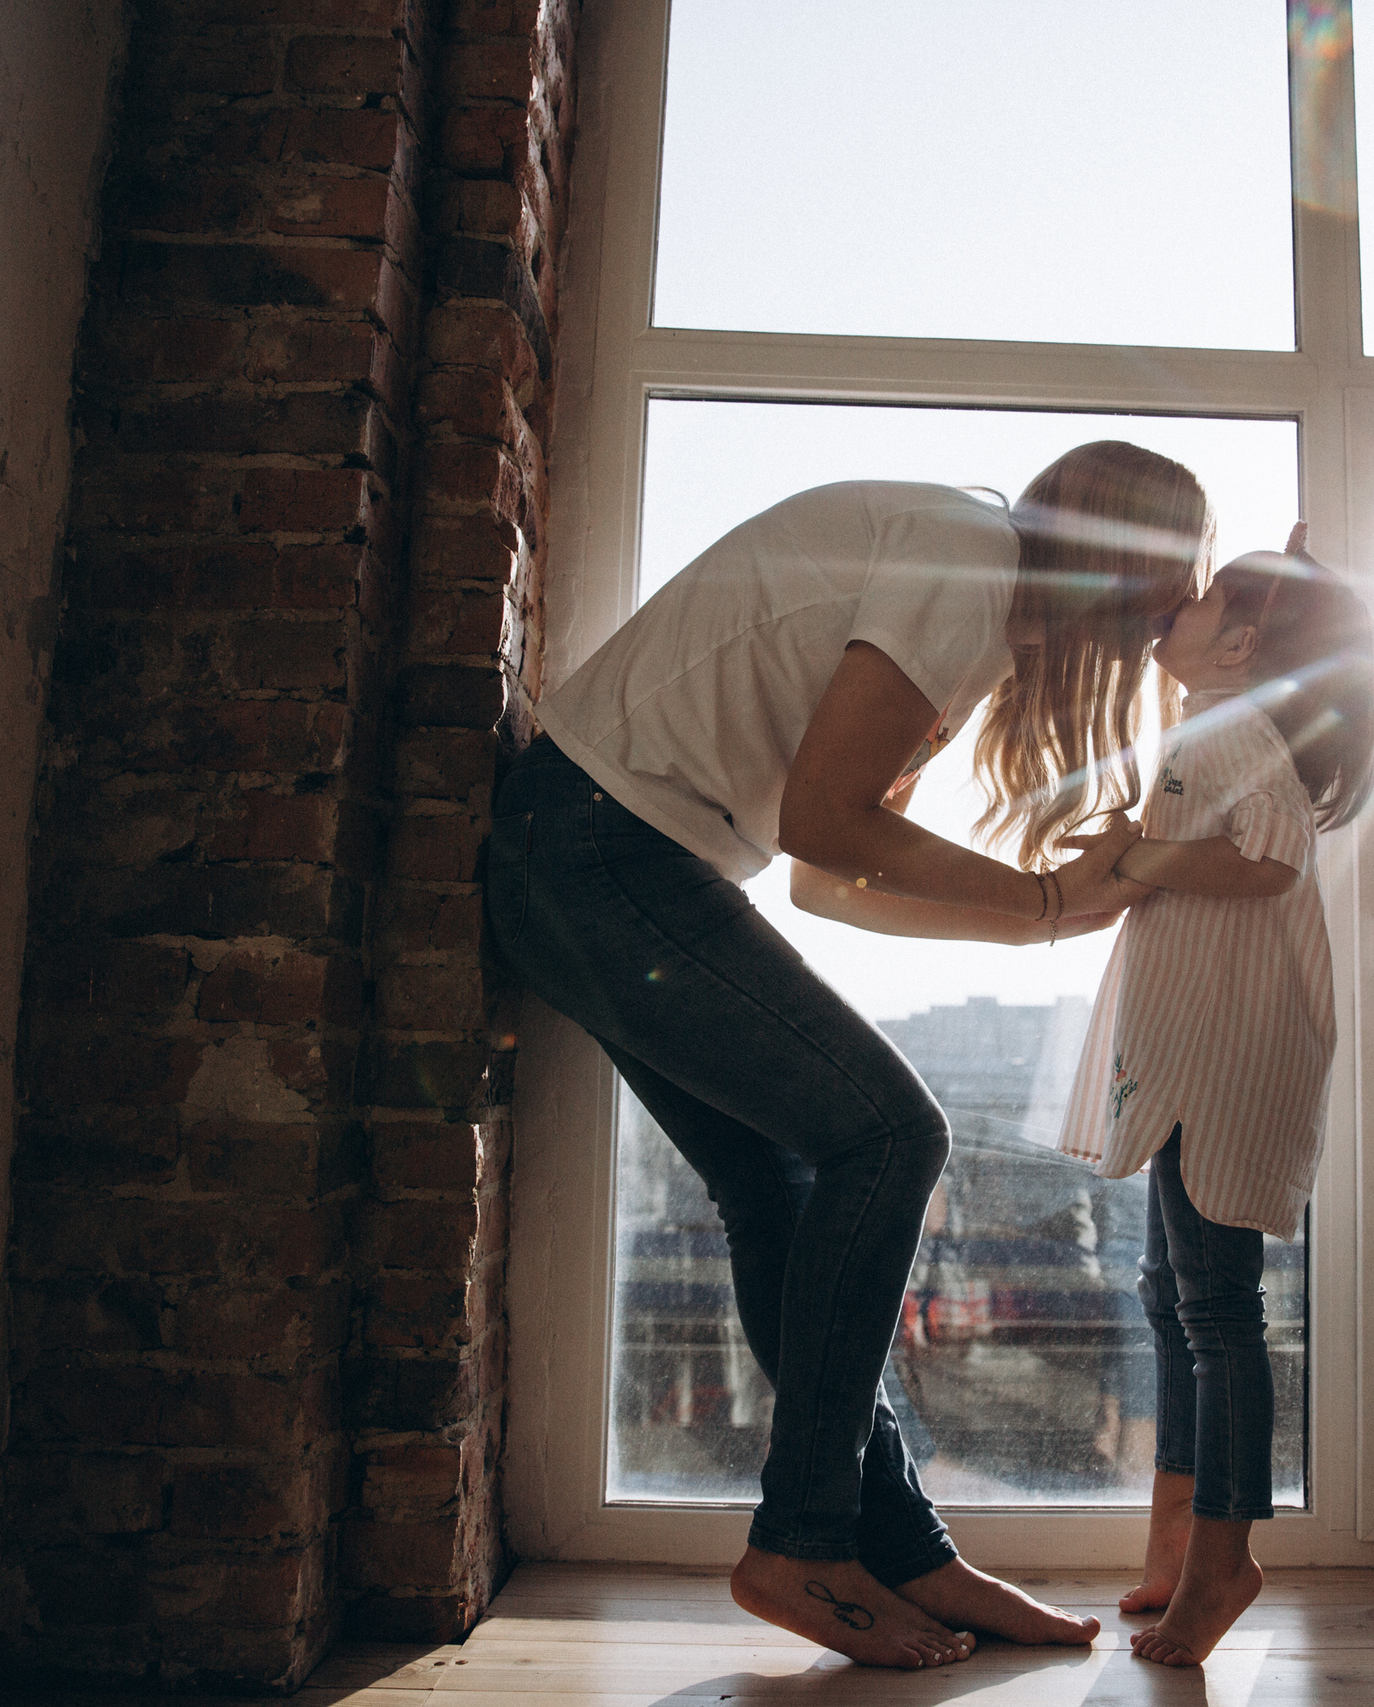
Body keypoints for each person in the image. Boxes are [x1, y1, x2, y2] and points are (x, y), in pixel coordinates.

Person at [489, 442, 1205, 1668]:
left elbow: (823, 879)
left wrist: (1036, 910)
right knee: (892, 1132)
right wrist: (1035, 903)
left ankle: (898, 1548)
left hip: (593, 854)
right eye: (1164, 594)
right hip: (608, 850)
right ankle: (804, 1542)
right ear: (1122, 565)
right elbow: (827, 826)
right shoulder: (970, 564)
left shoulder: (964, 573)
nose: (1157, 631)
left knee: (786, 1182)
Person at [1056, 533, 1374, 1667]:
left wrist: (1139, 858)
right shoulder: (1213, 728)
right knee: (1174, 1294)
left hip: (1227, 1054)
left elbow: (1269, 860)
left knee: (1213, 1311)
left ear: (1240, 643)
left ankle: (1220, 1562)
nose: (1171, 612)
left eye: (1198, 604)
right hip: (1198, 1049)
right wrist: (1141, 848)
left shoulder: (1232, 731)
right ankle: (1177, 1547)